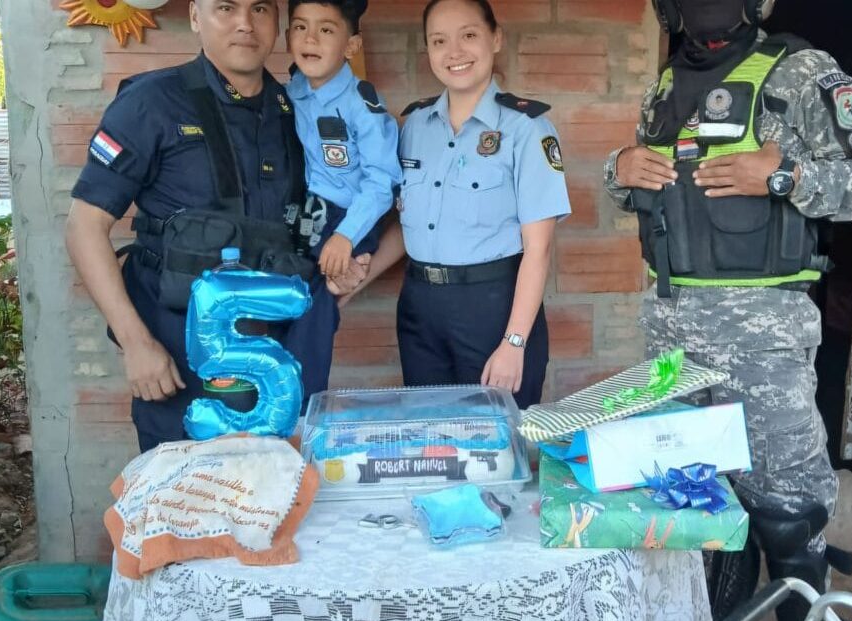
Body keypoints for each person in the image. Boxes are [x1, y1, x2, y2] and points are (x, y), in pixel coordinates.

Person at [603, 1, 852, 621]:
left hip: (761, 334)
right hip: (673, 332)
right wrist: (620, 168)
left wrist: (783, 175)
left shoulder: (800, 70)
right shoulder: (666, 83)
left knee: (788, 511)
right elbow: (638, 187)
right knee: (695, 499)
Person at [65, 0, 366, 452]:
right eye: (226, 7)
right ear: (194, 17)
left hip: (273, 359)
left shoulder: (297, 111)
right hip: (177, 354)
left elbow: (336, 210)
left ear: (276, 23)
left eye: (260, 8)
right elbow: (84, 226)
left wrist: (347, 277)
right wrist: (136, 344)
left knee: (272, 498)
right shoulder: (151, 102)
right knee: (183, 502)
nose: (245, 23)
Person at [343, 0, 571, 409]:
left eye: (468, 35)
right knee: (432, 439)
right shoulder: (413, 125)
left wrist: (514, 342)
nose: (455, 52)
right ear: (428, 51)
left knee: (497, 444)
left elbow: (539, 249)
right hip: (420, 309)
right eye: (439, 41)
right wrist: (357, 280)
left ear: (495, 38)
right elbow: (407, 224)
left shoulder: (526, 128)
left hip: (493, 307)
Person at [285, 0, 401, 277]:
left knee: (316, 304)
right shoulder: (289, 94)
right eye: (300, 26)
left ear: (351, 46)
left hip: (348, 217)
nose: (310, 38)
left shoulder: (360, 105)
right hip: (304, 211)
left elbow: (383, 180)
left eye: (325, 30)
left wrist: (345, 235)